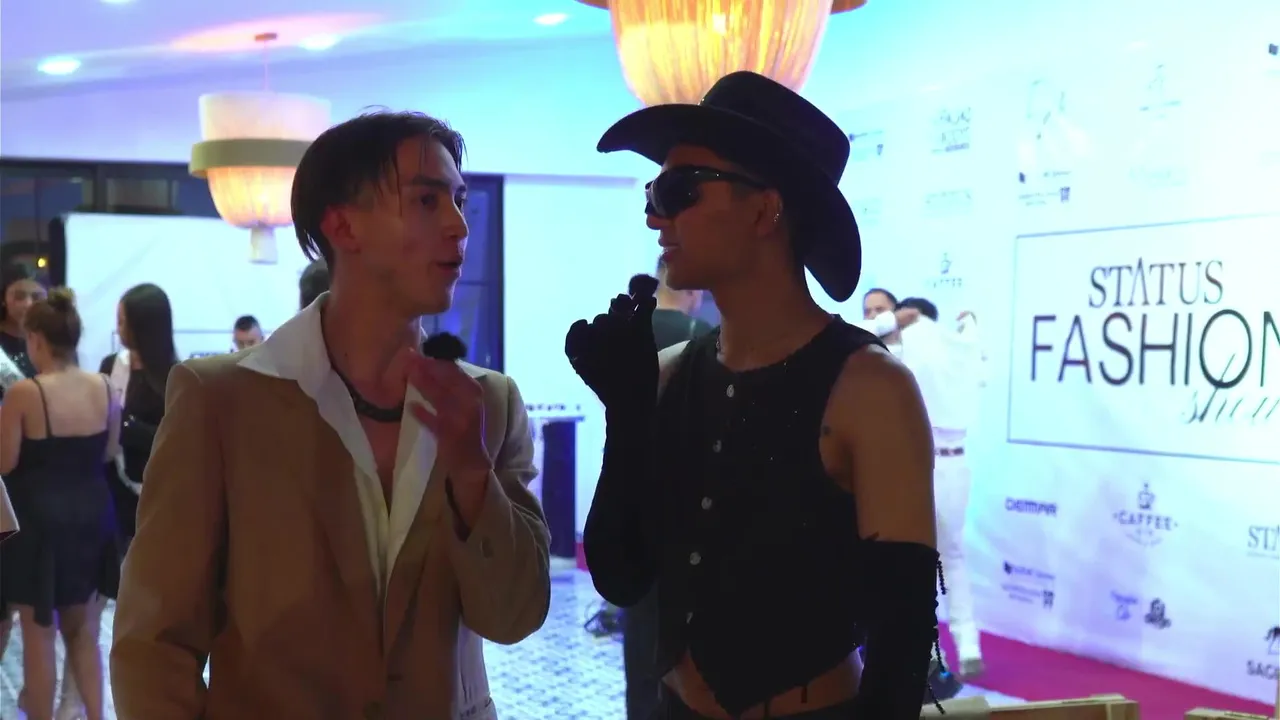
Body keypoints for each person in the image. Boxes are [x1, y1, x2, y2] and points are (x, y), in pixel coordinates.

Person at [111, 110, 552, 719]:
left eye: (459, 201)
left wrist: (473, 478)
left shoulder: (487, 404)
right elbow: (154, 641)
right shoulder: (222, 402)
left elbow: (515, 616)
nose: (458, 226)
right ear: (343, 225)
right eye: (427, 201)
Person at [566, 72, 942, 719]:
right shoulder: (671, 374)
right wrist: (625, 414)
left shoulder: (870, 389)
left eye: (680, 190)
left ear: (765, 210)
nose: (656, 216)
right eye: (654, 193)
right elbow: (621, 576)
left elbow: (901, 644)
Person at [0, 288, 121, 720]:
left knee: (39, 636)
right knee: (84, 634)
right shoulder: (105, 386)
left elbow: (5, 461)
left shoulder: (26, 393)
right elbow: (109, 452)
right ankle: (96, 715)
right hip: (94, 516)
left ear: (35, 339)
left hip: (40, 524)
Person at [622, 261, 715, 720]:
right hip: (691, 509)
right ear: (695, 292)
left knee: (640, 641)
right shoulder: (706, 339)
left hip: (630, 502)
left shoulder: (624, 334)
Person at [885, 296, 987, 680]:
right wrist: (970, 324)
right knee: (953, 555)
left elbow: (860, 337)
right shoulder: (964, 350)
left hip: (918, 463)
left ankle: (930, 649)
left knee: (918, 560)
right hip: (956, 463)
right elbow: (979, 363)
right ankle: (969, 645)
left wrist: (891, 323)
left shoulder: (901, 353)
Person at [98, 283, 178, 541]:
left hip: (156, 492)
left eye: (123, 321)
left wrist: (128, 427)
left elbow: (175, 438)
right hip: (113, 491)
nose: (118, 327)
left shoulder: (175, 376)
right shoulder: (111, 365)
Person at [0, 263, 47, 393]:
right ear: (3, 299)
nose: (28, 304)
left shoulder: (54, 342)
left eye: (37, 297)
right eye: (19, 297)